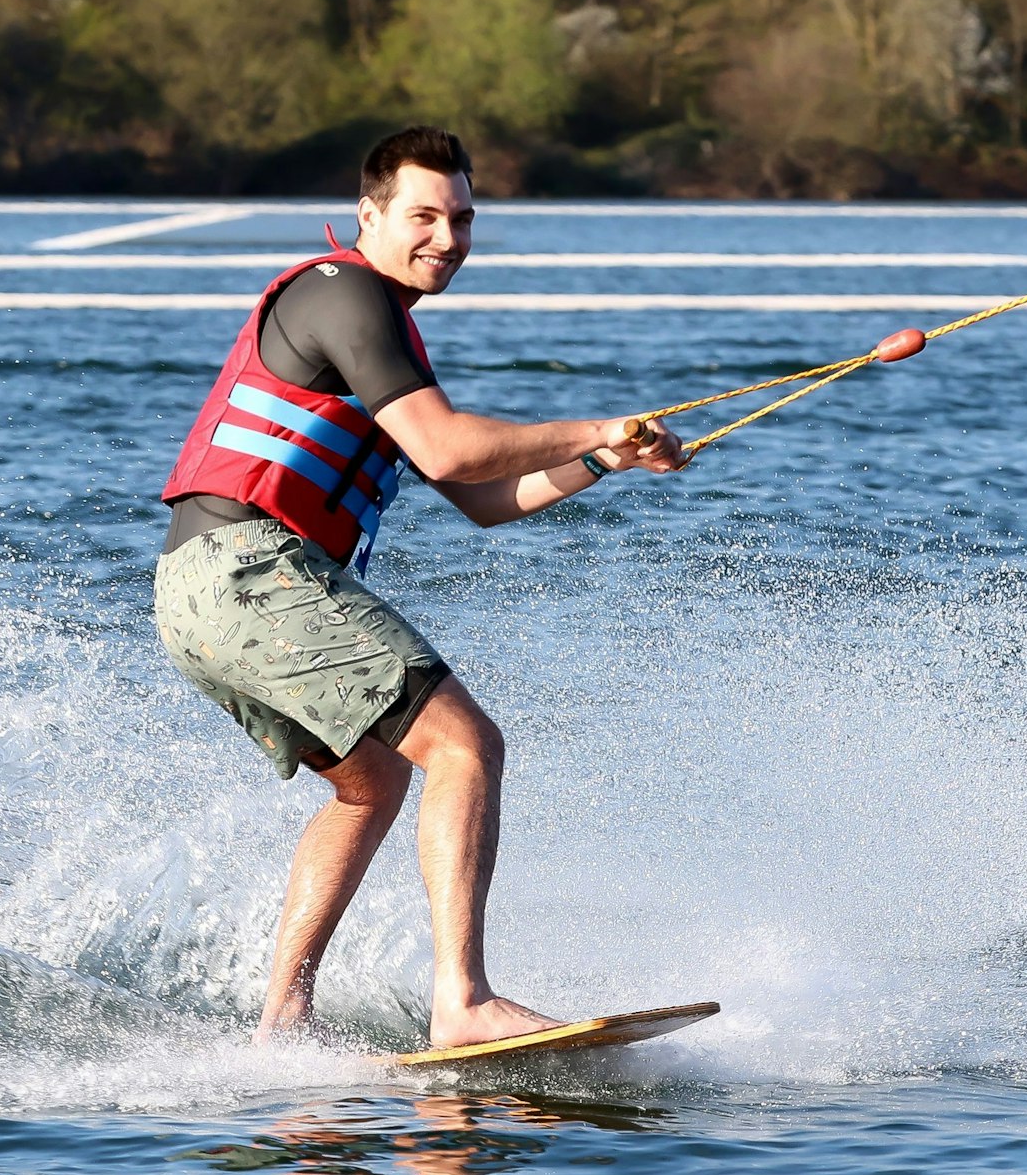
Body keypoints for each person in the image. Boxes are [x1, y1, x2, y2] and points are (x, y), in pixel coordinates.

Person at [151, 125, 685, 1049]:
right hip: (249, 571)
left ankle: (283, 1020)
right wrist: (597, 424)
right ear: (370, 216)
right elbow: (446, 448)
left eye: (463, 220)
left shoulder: (380, 335)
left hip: (197, 595)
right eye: (424, 216)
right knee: (466, 746)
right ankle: (463, 1003)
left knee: (372, 786)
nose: (448, 238)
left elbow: (485, 499)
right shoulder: (345, 291)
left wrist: (606, 460)